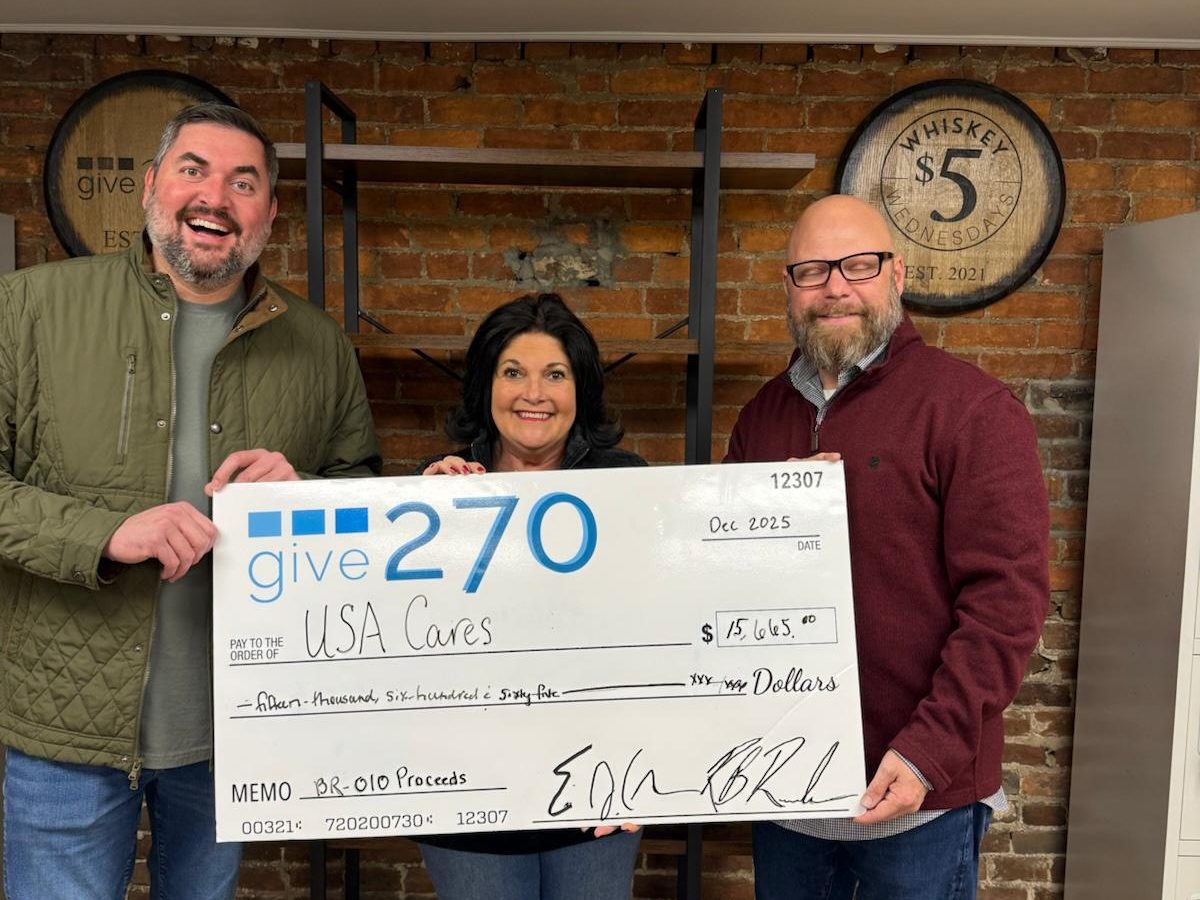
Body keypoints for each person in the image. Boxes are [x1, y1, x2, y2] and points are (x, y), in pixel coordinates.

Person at [0, 102, 380, 900]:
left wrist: (303, 496)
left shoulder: (318, 346)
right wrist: (104, 534)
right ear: (150, 187)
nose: (215, 197)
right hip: (65, 724)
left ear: (269, 212)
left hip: (233, 727)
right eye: (193, 170)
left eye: (244, 182)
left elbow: (364, 504)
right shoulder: (28, 309)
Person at [724, 195, 1049, 900]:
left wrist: (929, 750)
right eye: (813, 270)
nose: (835, 287)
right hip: (787, 791)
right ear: (788, 286)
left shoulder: (971, 410)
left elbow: (1006, 606)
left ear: (896, 274)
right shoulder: (761, 418)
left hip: (919, 800)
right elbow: (727, 590)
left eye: (858, 266)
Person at [414, 292, 644, 900]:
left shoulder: (629, 485)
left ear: (581, 390)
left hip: (598, 787)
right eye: (513, 372)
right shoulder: (433, 492)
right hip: (466, 794)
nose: (533, 394)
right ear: (485, 386)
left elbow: (663, 632)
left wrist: (651, 760)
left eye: (556, 375)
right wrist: (418, 515)